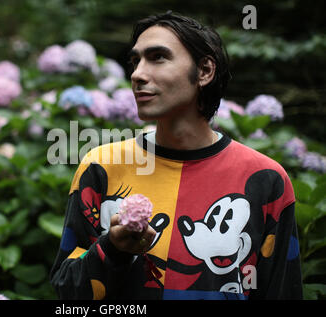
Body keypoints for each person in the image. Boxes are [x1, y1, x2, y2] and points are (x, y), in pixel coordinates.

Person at [50, 11, 303, 300]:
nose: (137, 74)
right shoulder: (101, 167)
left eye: (158, 57)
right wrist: (113, 250)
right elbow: (67, 293)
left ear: (205, 71)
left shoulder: (266, 179)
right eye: (135, 61)